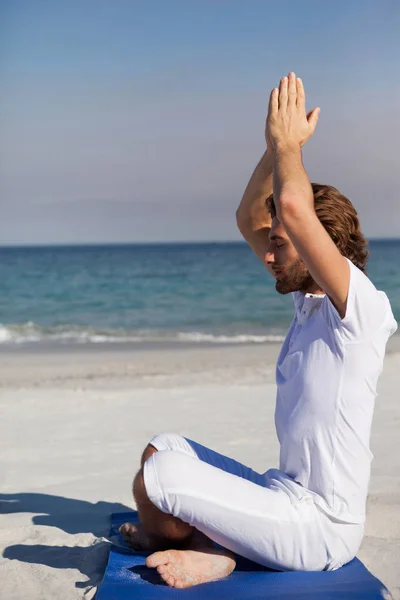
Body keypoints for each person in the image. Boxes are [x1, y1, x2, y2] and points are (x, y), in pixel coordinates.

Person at [119, 72, 398, 589]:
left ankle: (214, 553)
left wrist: (289, 146)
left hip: (321, 530)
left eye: (282, 244)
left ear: (319, 244)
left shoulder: (359, 310)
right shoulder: (309, 302)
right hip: (282, 496)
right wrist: (273, 150)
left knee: (158, 482)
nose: (268, 255)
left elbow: (293, 207)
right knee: (162, 450)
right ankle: (216, 547)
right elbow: (250, 215)